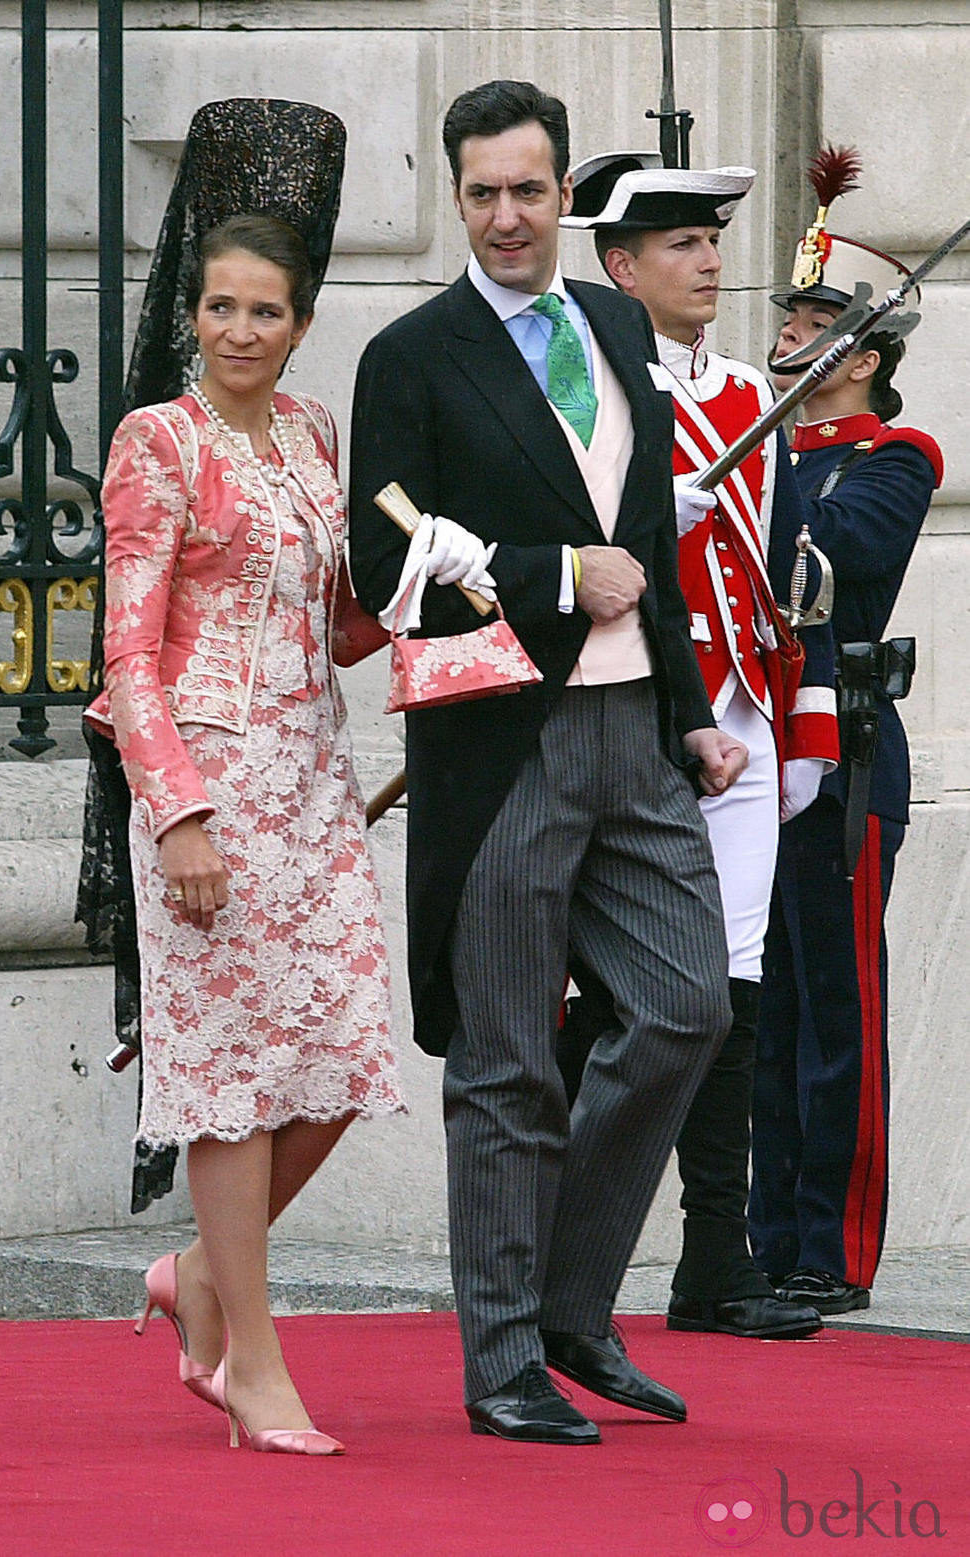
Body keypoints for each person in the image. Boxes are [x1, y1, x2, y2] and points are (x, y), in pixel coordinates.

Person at [348, 80, 747, 1445]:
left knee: (688, 1008)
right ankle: (504, 1353)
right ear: (456, 199)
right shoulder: (412, 354)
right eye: (483, 193)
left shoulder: (618, 322)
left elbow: (656, 539)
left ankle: (572, 1300)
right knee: (510, 1063)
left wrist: (693, 708)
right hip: (503, 743)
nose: (509, 216)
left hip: (640, 739)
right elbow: (381, 561)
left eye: (531, 190)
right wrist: (551, 571)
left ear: (567, 195)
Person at [85, 197, 405, 1453]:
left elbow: (329, 626)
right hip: (206, 790)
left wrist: (421, 592)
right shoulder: (155, 443)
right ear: (194, 314)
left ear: (300, 325)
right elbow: (125, 650)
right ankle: (250, 1367)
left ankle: (203, 1276)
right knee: (230, 1080)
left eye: (263, 311)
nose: (238, 328)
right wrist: (175, 817)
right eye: (220, 306)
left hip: (315, 780)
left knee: (342, 1051)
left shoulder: (315, 434)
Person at [559, 155, 840, 1339]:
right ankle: (548, 1252)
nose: (711, 261)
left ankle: (710, 1265)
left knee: (733, 993)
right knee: (604, 998)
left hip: (736, 715)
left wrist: (801, 724)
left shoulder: (739, 395)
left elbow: (784, 582)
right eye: (681, 244)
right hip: (625, 713)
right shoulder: (586, 391)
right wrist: (628, 517)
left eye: (712, 240)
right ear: (621, 267)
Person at [749, 149, 943, 1315]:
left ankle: (830, 1243)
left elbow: (831, 570)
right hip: (749, 755)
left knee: (835, 1010)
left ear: (860, 356)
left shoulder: (890, 459)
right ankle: (758, 1237)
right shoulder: (747, 452)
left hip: (845, 754)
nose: (788, 334)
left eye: (816, 322)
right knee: (757, 1009)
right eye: (788, 315)